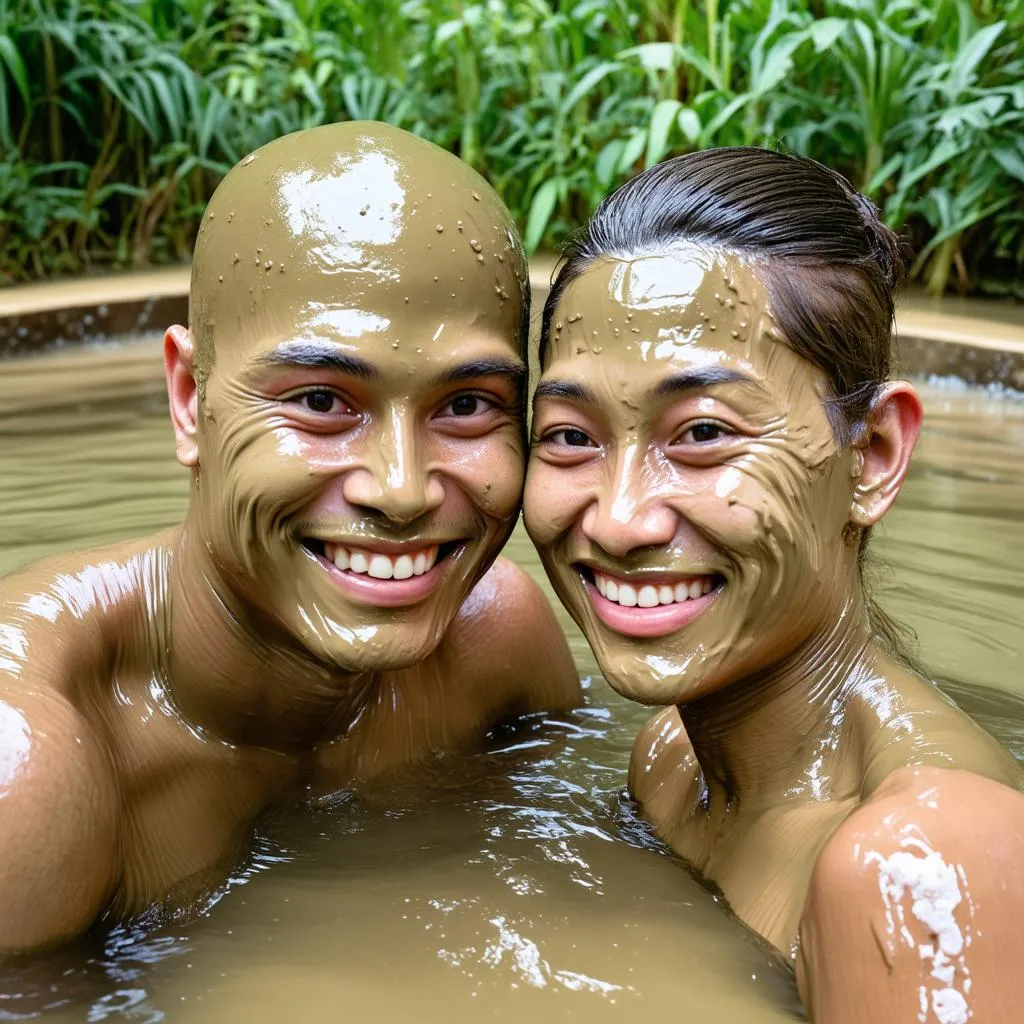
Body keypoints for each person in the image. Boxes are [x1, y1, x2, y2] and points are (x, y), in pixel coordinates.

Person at [0, 121, 580, 954]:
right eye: (320, 402)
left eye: (465, 405)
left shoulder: (495, 649)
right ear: (188, 398)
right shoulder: (32, 772)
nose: (403, 490)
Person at [524, 148, 1024, 1022]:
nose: (617, 519)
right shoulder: (671, 765)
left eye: (705, 432)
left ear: (870, 457)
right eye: (571, 437)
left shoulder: (923, 860)